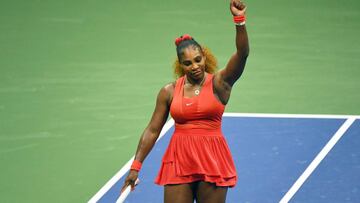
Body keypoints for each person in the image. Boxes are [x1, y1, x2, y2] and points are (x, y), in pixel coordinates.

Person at [121, 0, 249, 202]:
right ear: (180, 65)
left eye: (198, 59)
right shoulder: (169, 91)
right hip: (179, 160)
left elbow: (243, 54)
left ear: (204, 57)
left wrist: (239, 20)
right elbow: (153, 130)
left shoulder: (220, 83)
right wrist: (135, 167)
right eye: (188, 63)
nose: (195, 66)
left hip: (212, 158)